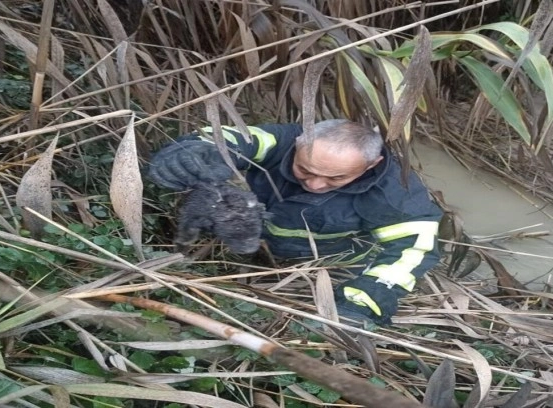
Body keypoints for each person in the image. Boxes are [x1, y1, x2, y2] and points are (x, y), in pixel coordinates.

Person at [148, 119, 443, 325]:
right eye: (304, 169)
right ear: (300, 142)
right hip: (255, 243)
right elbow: (227, 138)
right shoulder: (282, 140)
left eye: (335, 178)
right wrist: (190, 155)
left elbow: (413, 251)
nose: (315, 184)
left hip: (324, 265)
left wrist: (362, 300)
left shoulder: (396, 195)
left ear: (371, 165)